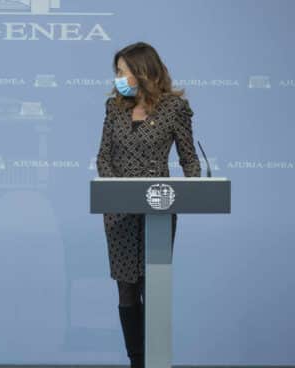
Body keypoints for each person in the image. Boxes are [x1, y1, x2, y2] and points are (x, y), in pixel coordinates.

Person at [96, 42, 201, 367]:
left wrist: (196, 187)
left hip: (159, 203)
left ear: (142, 71)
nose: (118, 77)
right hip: (119, 211)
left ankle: (156, 359)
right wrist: (117, 192)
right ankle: (137, 362)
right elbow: (104, 156)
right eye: (116, 71)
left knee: (153, 288)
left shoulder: (174, 108)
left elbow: (188, 157)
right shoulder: (113, 108)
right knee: (126, 289)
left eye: (122, 70)